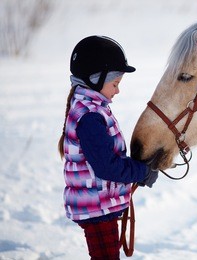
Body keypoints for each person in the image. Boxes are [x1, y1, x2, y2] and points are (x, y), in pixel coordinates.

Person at [58, 35, 158, 259]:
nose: (118, 91)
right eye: (115, 84)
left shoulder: (92, 107)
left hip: (100, 206)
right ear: (95, 79)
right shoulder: (90, 116)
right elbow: (106, 167)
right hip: (97, 209)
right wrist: (141, 171)